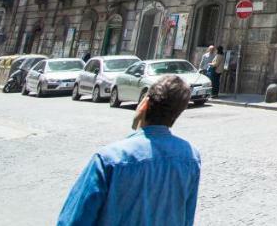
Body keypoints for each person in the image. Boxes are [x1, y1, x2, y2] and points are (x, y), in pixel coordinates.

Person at [57, 74, 201, 226]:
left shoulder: (109, 159)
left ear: (144, 103)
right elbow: (186, 218)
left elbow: (74, 220)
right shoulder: (191, 157)